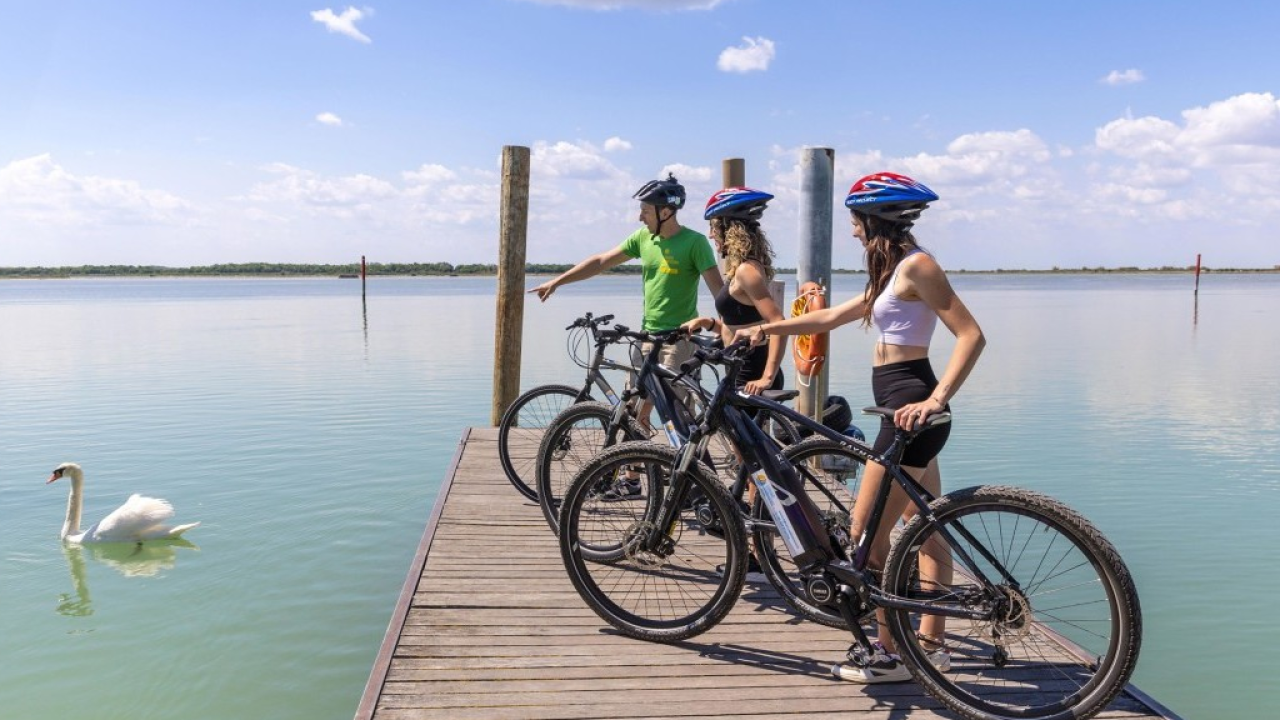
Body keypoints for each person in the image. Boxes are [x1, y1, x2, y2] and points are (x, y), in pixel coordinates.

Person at [736, 171, 986, 683]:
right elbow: (829, 319)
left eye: (855, 221)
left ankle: (890, 654)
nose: (852, 231)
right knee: (926, 533)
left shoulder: (918, 267)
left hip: (911, 410)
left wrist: (936, 399)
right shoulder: (891, 272)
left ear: (878, 219)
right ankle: (931, 645)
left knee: (866, 536)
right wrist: (765, 327)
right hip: (905, 409)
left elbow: (972, 335)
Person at [531, 173, 724, 499]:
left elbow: (719, 291)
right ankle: (635, 480)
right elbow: (601, 261)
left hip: (678, 342)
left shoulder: (694, 243)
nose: (640, 216)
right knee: (634, 410)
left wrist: (727, 329)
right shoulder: (643, 239)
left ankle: (702, 485)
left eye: (645, 211)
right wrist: (558, 281)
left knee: (666, 414)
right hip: (646, 338)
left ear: (666, 212)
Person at [680, 187, 787, 576]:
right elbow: (740, 322)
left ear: (727, 228)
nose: (711, 235)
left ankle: (763, 551)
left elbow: (779, 324)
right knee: (749, 463)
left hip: (751, 375)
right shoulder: (739, 270)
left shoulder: (747, 271)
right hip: (737, 373)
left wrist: (768, 374)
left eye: (714, 227)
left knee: (757, 467)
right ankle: (758, 549)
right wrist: (710, 323)